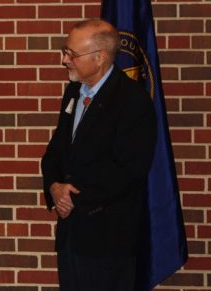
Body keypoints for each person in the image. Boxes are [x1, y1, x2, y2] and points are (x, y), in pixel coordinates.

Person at [41, 19, 157, 291]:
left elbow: (129, 169)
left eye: (72, 54)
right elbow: (55, 152)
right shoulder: (72, 93)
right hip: (72, 235)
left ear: (100, 57)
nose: (64, 60)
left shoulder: (132, 100)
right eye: (64, 51)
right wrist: (54, 187)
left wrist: (73, 196)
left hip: (108, 237)